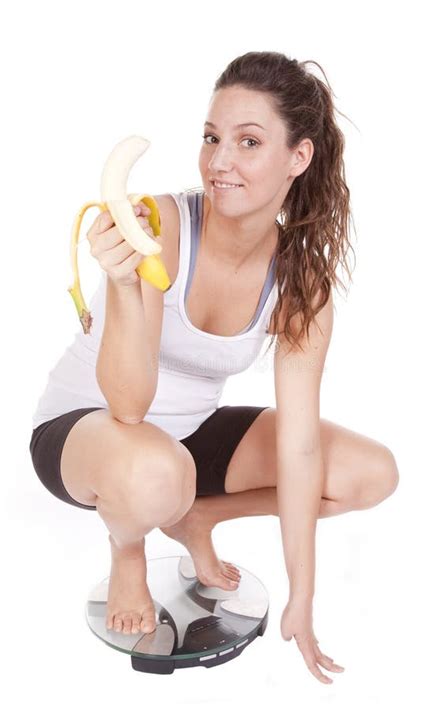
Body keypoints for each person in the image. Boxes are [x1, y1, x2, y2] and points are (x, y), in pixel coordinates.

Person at [29, 51, 399, 683]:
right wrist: (123, 284)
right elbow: (127, 407)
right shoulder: (163, 225)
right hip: (91, 428)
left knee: (369, 474)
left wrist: (301, 596)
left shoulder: (299, 281)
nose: (218, 161)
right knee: (155, 470)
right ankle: (128, 548)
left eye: (248, 142)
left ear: (298, 158)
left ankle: (198, 515)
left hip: (186, 439)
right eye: (211, 137)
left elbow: (301, 447)